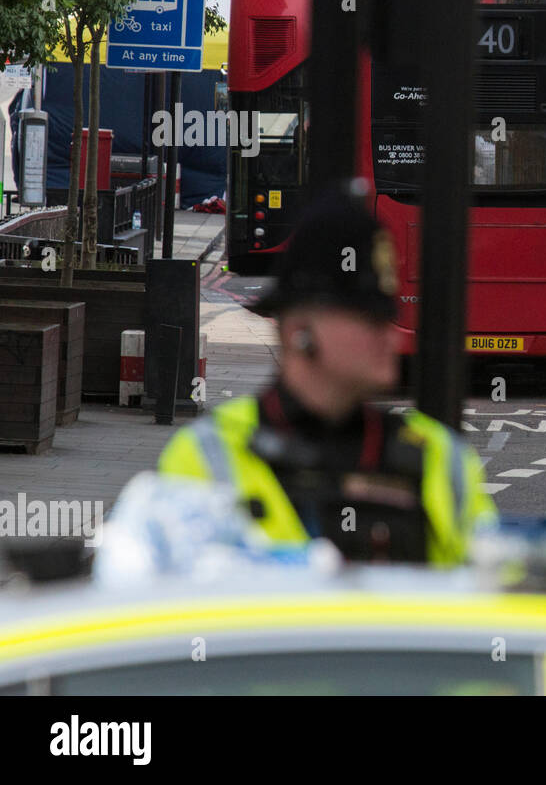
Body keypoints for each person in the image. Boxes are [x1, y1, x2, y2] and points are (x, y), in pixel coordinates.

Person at [157, 187, 496, 566]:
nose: (389, 334)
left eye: (388, 315)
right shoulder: (205, 457)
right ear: (298, 331)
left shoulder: (440, 458)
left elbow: (498, 600)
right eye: (367, 317)